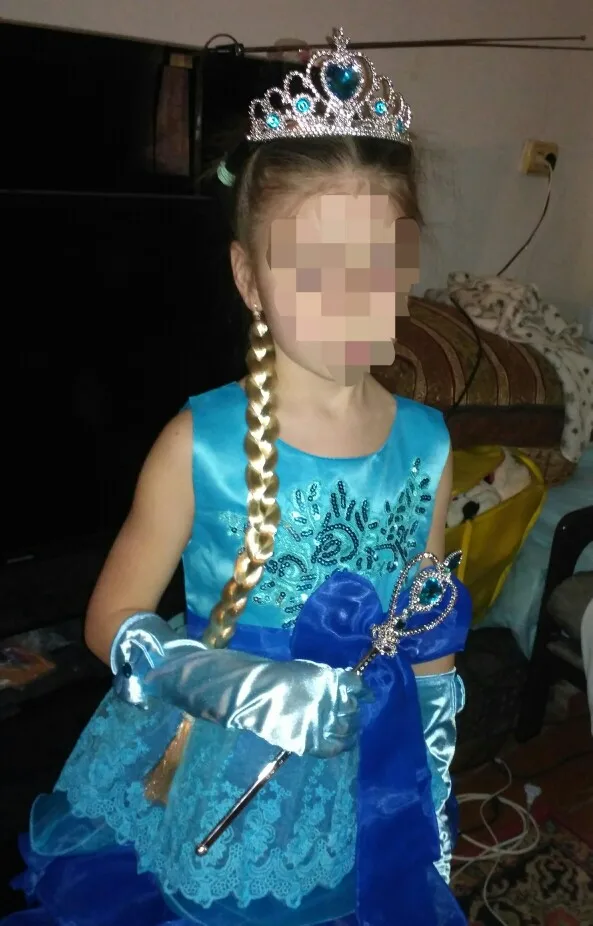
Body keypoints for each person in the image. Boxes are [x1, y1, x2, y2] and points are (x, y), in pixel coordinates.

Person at [4, 27, 471, 926]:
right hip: (218, 768)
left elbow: (426, 634)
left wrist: (429, 785)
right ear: (249, 278)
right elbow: (108, 620)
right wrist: (242, 687)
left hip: (366, 775)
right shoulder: (201, 443)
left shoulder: (427, 444)